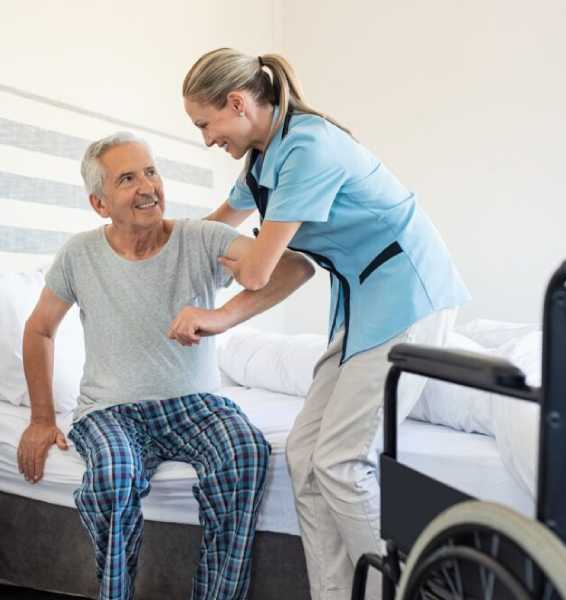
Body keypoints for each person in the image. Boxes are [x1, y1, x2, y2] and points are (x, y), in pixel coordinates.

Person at [181, 48, 471, 600]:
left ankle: (412, 590)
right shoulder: (262, 160)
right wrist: (158, 246)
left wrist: (219, 304)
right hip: (364, 305)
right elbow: (215, 228)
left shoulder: (308, 148)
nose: (206, 139)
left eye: (204, 124)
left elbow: (261, 270)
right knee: (304, 457)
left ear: (237, 103)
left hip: (409, 296)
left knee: (340, 461)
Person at [16, 132, 315, 600]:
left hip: (195, 406)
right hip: (110, 411)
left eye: (151, 172)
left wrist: (222, 316)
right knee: (113, 475)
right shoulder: (79, 254)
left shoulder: (202, 238)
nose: (148, 187)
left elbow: (295, 268)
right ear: (99, 203)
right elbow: (39, 330)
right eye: (127, 179)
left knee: (245, 452)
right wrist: (40, 418)